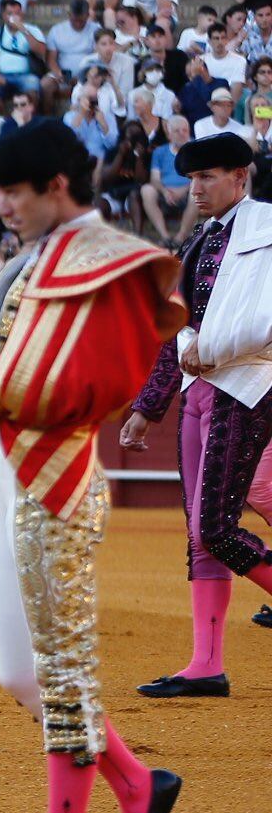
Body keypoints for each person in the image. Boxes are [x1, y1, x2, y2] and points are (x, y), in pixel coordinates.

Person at [0, 118, 186, 813]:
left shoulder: (110, 263)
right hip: (13, 467)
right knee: (19, 670)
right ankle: (136, 784)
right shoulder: (40, 259)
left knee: (58, 666)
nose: (3, 208)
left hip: (57, 474)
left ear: (57, 188)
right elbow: (10, 352)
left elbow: (101, 379)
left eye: (14, 193)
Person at [122, 132, 272, 699]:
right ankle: (206, 664)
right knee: (200, 534)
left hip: (251, 382)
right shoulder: (198, 244)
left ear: (241, 177)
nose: (196, 188)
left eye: (208, 177)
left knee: (216, 524)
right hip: (199, 390)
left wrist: (209, 352)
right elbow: (175, 332)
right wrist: (148, 407)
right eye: (192, 178)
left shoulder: (267, 230)